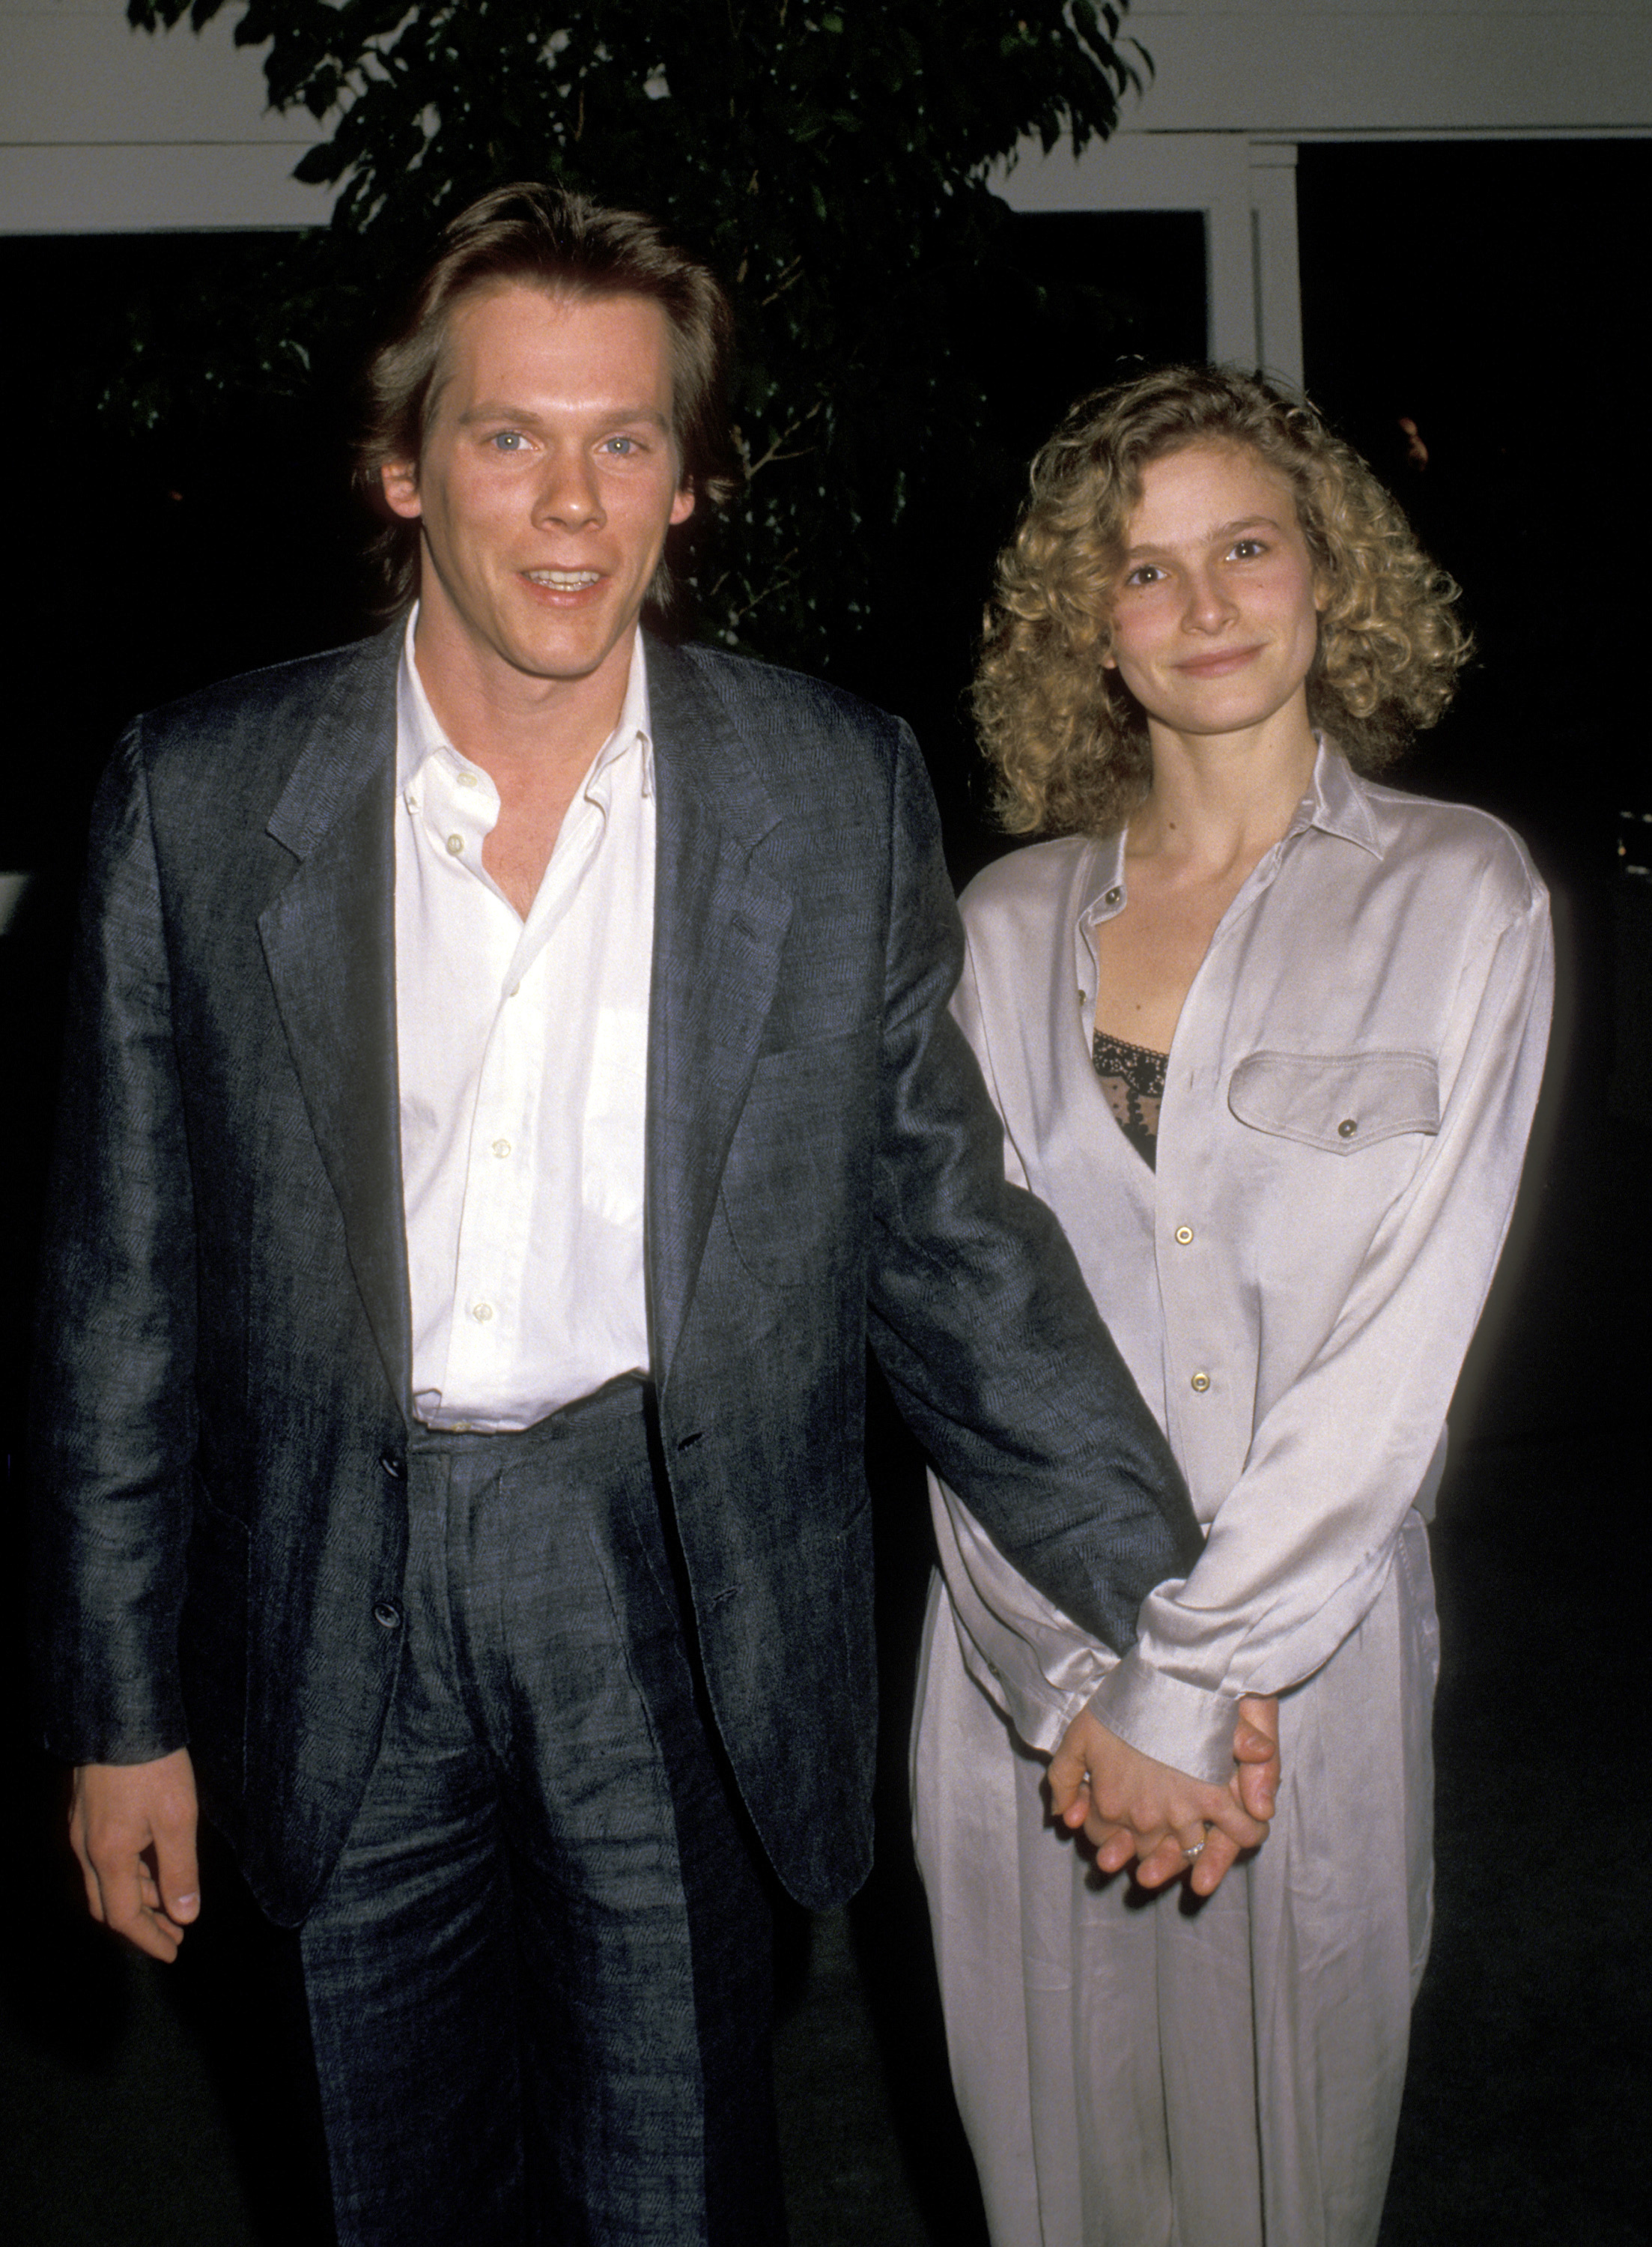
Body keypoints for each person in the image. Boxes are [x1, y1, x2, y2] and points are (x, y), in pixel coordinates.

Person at [31, 190, 1275, 2247]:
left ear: (685, 481)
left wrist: (1169, 1613)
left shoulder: (824, 786)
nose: (570, 503)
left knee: (673, 2190)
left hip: (671, 1587)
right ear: (403, 465)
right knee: (378, 2196)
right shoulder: (199, 794)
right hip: (330, 1594)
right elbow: (121, 1303)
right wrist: (115, 1712)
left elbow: (941, 1240)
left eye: (623, 440)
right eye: (509, 436)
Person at [911, 365, 1552, 2247]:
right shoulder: (993, 930)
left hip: (1299, 1680)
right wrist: (1080, 1692)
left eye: (1244, 549)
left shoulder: (1460, 895)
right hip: (1026, 1682)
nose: (1199, 605)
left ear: (1327, 573)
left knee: (1287, 2193)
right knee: (1056, 2196)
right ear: (1086, 627)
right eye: (1141, 569)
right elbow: (957, 1334)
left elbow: (1400, 1354)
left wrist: (1191, 1682)